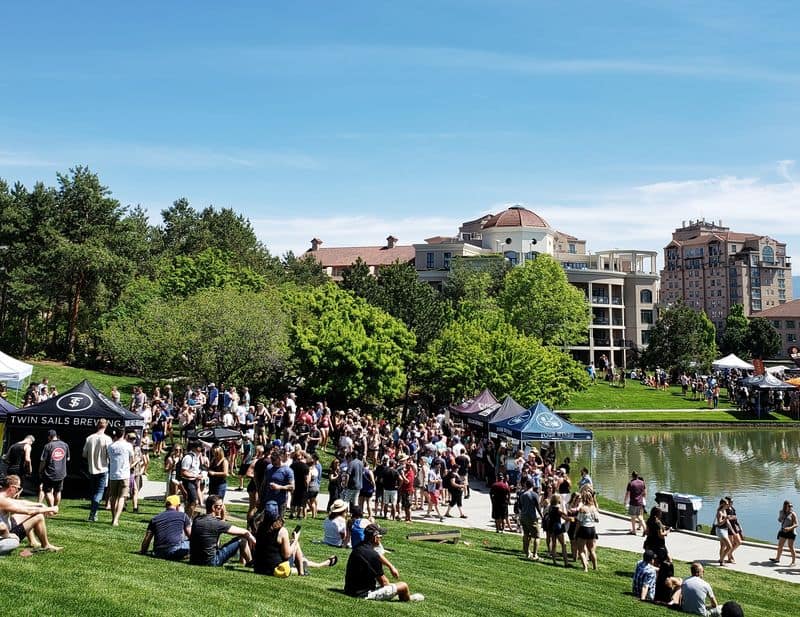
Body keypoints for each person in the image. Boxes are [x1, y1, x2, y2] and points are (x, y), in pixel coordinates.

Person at [253, 501, 337, 576]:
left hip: (259, 568)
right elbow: (287, 554)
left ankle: (321, 564)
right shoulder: (282, 531)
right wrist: (296, 539)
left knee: (300, 556)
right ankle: (302, 572)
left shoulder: (259, 527)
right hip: (277, 569)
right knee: (296, 546)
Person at [344, 523, 424, 602]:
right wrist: (394, 589)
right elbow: (384, 583)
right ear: (375, 538)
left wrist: (391, 567)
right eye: (380, 536)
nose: (381, 538)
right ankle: (408, 599)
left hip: (350, 589)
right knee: (403, 586)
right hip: (363, 594)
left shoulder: (359, 547)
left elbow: (378, 555)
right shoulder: (372, 555)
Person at [0, 474, 62, 553]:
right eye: (18, 488)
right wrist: (50, 508)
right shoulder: (2, 500)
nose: (18, 491)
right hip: (4, 534)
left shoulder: (2, 495)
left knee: (26, 515)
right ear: (12, 487)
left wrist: (40, 505)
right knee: (38, 516)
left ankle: (33, 541)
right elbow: (28, 511)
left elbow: (21, 503)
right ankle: (46, 546)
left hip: (6, 526)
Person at [189, 494, 255, 566]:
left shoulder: (197, 519)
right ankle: (250, 563)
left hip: (194, 560)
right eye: (221, 506)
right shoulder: (217, 524)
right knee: (242, 540)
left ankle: (245, 562)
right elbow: (244, 532)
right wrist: (251, 538)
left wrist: (222, 517)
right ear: (214, 508)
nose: (223, 508)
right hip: (211, 562)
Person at [140, 495, 192, 560]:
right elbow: (191, 536)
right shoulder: (183, 516)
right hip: (175, 550)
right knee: (196, 543)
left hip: (158, 552)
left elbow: (147, 538)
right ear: (177, 506)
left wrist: (143, 551)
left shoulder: (155, 518)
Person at [82, 419, 111, 522]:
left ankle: (94, 513)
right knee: (99, 493)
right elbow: (110, 454)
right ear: (106, 426)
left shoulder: (89, 438)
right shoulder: (107, 439)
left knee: (94, 492)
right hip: (103, 469)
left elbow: (84, 454)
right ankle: (93, 514)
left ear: (97, 425)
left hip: (92, 469)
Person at [107, 428, 134, 526]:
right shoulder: (128, 445)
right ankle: (116, 519)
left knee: (113, 497)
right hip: (124, 474)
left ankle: (113, 517)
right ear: (124, 434)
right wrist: (129, 466)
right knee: (122, 497)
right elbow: (132, 458)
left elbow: (109, 458)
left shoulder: (111, 446)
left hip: (113, 474)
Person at [39, 429, 70, 508]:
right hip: (61, 473)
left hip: (49, 473)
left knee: (48, 491)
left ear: (49, 437)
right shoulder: (65, 445)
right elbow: (68, 458)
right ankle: (55, 508)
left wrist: (40, 470)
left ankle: (51, 508)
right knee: (58, 491)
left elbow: (43, 460)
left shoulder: (48, 446)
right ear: (56, 436)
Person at [517, 478, 543, 561]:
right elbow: (538, 507)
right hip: (531, 517)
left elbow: (520, 506)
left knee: (526, 534)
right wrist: (542, 516)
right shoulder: (534, 494)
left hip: (523, 516)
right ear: (533, 485)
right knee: (537, 536)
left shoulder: (522, 494)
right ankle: (535, 554)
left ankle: (527, 552)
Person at [575, 491, 599, 572]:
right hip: (592, 529)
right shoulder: (593, 508)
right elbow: (597, 519)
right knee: (591, 550)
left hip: (584, 529)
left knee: (581, 549)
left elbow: (578, 522)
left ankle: (585, 568)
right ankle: (595, 567)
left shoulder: (582, 509)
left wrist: (575, 533)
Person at [770, 500, 797, 565]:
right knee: (780, 545)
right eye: (789, 506)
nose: (791, 507)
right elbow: (780, 520)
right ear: (785, 506)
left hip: (791, 532)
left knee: (790, 547)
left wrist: (789, 528)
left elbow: (796, 524)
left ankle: (793, 562)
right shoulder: (781, 512)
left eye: (791, 506)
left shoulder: (793, 514)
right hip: (783, 531)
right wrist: (780, 519)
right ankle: (777, 559)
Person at [624, 471, 647, 536]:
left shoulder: (631, 483)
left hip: (633, 502)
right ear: (637, 476)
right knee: (640, 516)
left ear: (632, 476)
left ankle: (634, 531)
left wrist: (625, 501)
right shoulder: (642, 483)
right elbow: (644, 492)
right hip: (640, 502)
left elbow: (627, 493)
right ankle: (645, 529)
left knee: (633, 517)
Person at [713, 499, 732, 567]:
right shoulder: (719, 512)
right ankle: (721, 560)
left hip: (725, 530)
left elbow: (727, 522)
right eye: (727, 504)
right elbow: (719, 523)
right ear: (723, 504)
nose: (728, 505)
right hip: (720, 531)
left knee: (723, 546)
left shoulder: (724, 511)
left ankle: (721, 560)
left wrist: (732, 530)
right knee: (729, 546)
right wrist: (726, 518)